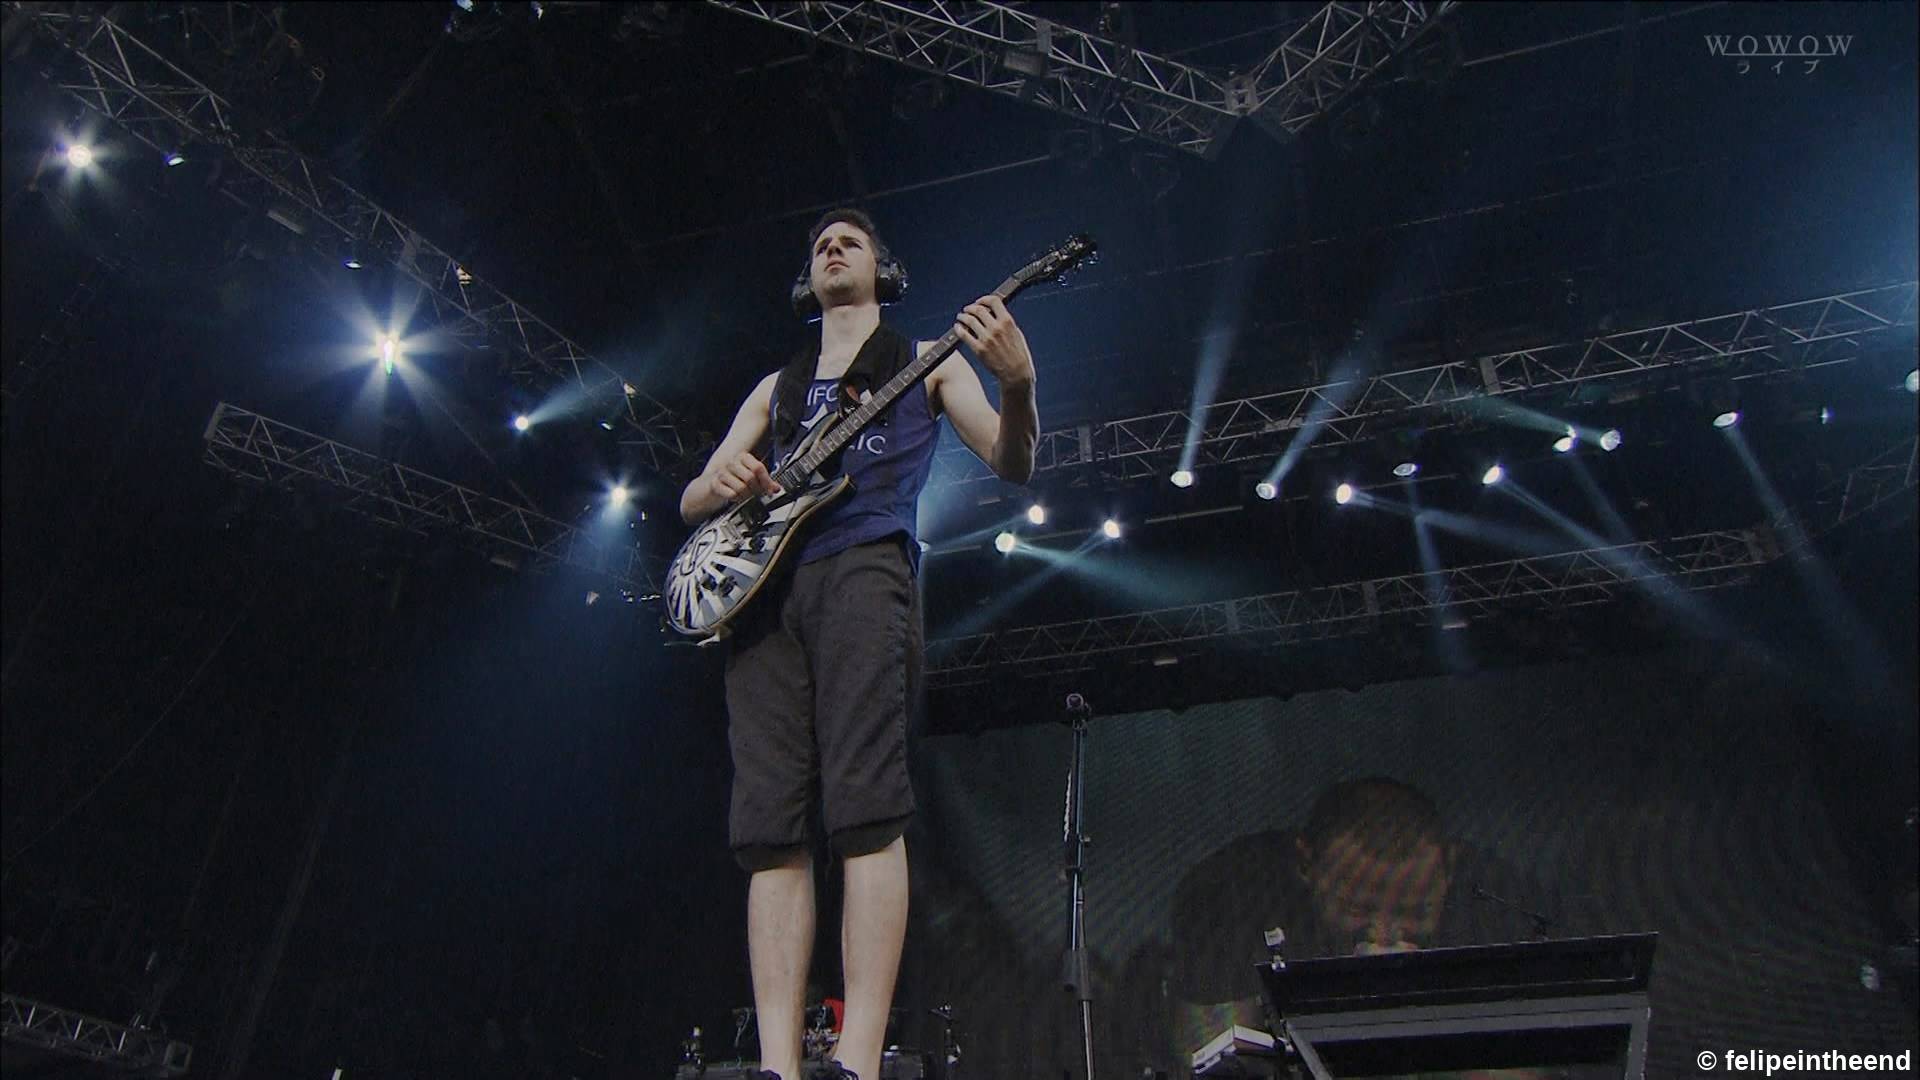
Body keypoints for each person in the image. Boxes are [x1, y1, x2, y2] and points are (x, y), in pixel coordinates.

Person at [678, 208, 1040, 1080]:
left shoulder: (929, 361)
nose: (833, 247)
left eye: (851, 241)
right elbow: (693, 497)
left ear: (884, 269)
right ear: (809, 278)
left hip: (865, 570)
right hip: (764, 596)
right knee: (770, 828)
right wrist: (721, 482)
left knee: (867, 811)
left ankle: (858, 1060)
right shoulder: (776, 385)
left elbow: (1012, 461)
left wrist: (1020, 384)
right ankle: (777, 1066)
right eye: (820, 244)